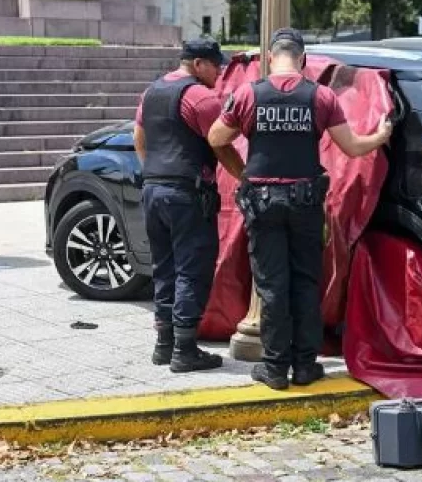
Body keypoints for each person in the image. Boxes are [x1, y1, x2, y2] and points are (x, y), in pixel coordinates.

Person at [208, 27, 392, 390]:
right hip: (306, 202)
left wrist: (243, 174)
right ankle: (306, 366)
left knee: (272, 285)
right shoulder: (321, 96)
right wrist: (381, 136)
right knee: (306, 282)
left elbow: (216, 138)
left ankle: (275, 368)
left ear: (270, 59)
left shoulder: (248, 94)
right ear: (303, 60)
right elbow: (353, 148)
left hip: (263, 204)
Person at [134, 37, 244, 373]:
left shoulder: (151, 92)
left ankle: (163, 344)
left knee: (164, 269)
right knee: (191, 271)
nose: (220, 73)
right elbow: (221, 143)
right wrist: (245, 176)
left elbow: (139, 136)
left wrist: (154, 172)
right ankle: (184, 349)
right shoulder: (198, 96)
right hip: (187, 195)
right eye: (215, 66)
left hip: (153, 191)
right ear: (198, 64)